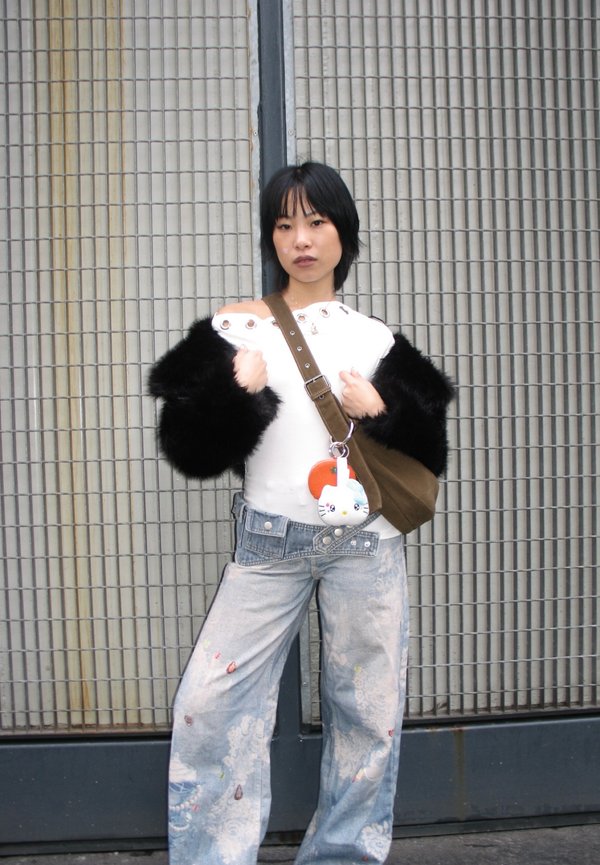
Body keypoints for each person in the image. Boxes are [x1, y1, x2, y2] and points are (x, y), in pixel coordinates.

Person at [148, 162, 454, 865]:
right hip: (268, 543)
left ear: (343, 234)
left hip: (366, 547)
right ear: (271, 239)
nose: (301, 238)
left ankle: (344, 854)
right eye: (284, 224)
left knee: (368, 716)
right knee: (210, 708)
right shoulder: (234, 326)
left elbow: (428, 454)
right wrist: (232, 389)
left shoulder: (377, 339)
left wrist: (385, 412)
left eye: (316, 221)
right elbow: (186, 448)